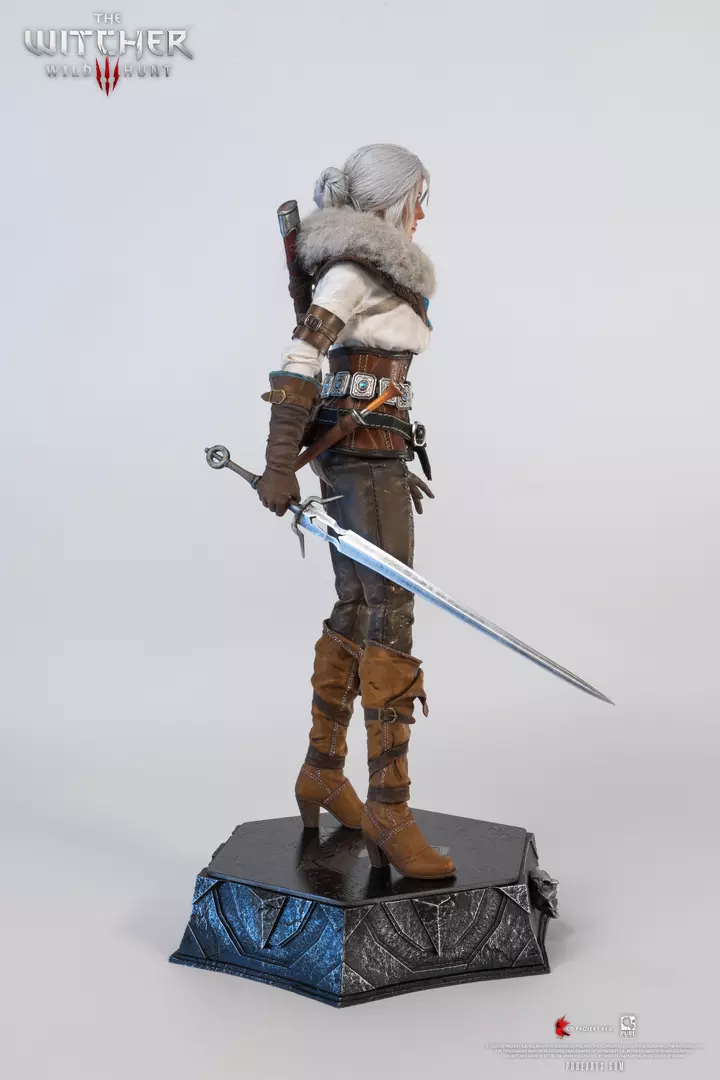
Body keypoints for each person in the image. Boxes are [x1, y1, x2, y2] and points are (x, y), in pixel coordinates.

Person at [256, 144, 455, 879]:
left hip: (375, 453)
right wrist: (279, 460)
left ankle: (321, 771)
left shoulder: (377, 270)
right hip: (362, 460)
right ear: (394, 202)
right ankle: (390, 809)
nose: (422, 215)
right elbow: (301, 353)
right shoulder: (353, 269)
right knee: (389, 616)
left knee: (356, 607)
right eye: (417, 200)